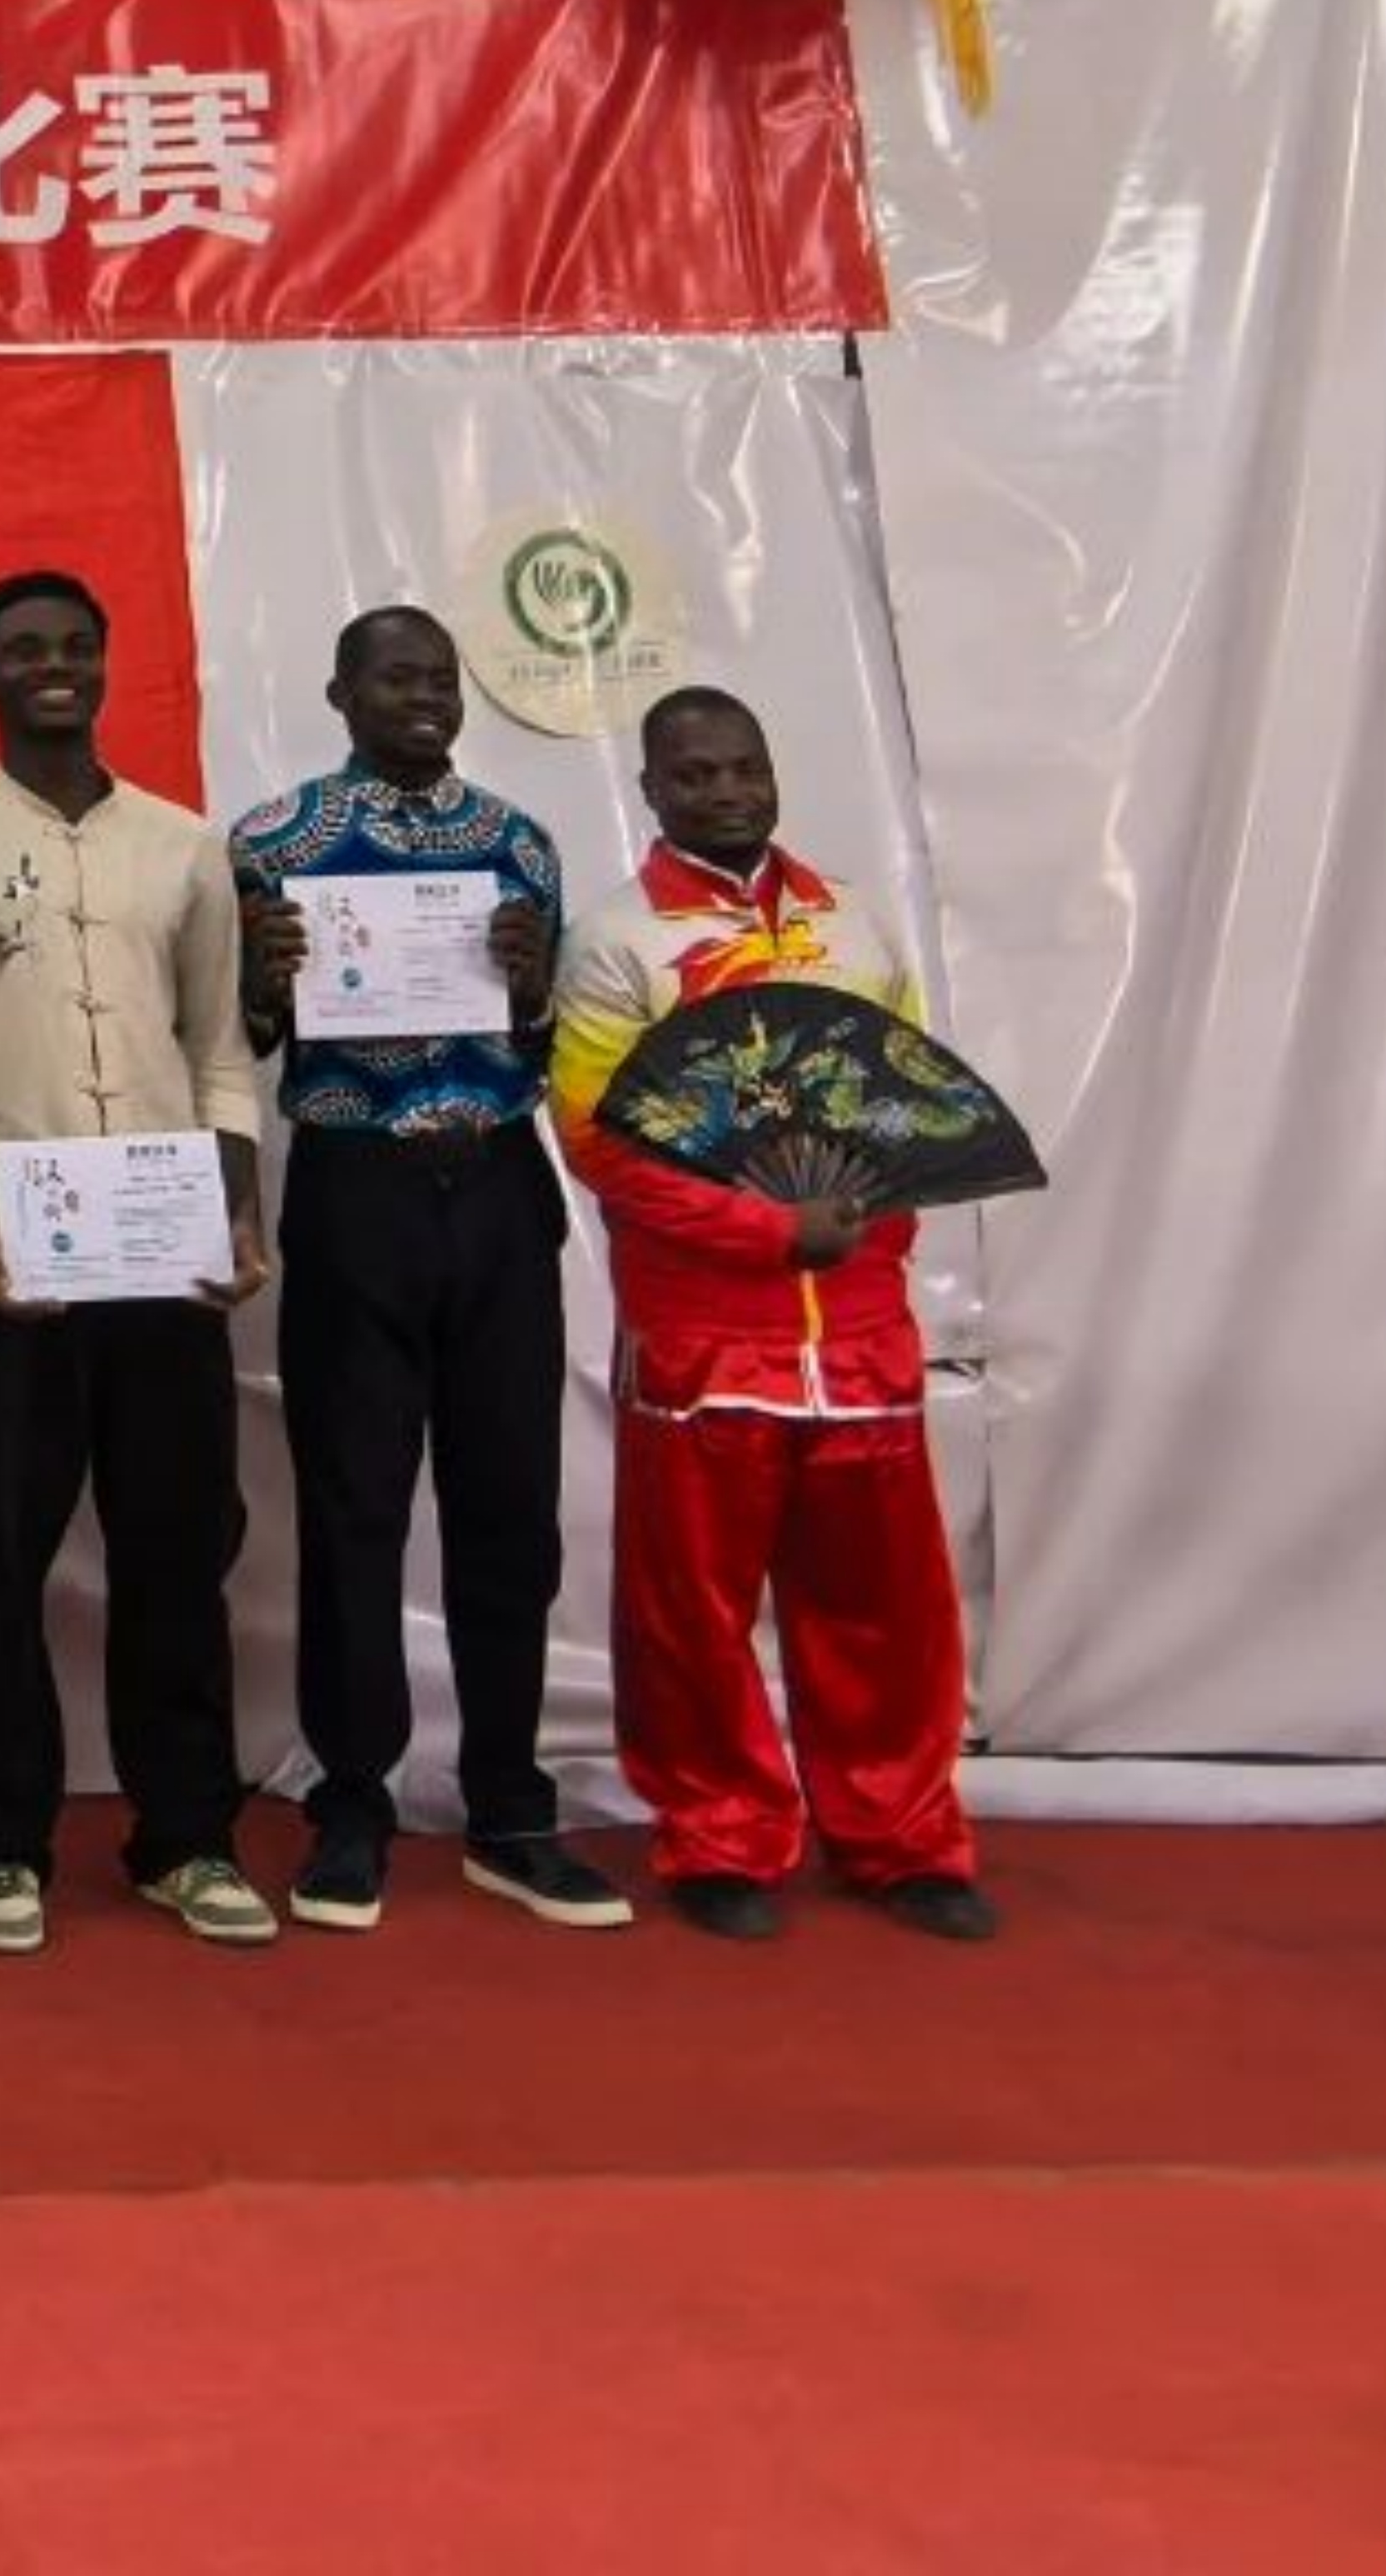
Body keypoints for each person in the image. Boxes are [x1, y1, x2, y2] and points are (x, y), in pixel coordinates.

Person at [543, 685, 995, 1944]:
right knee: (690, 1608)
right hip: (702, 1339)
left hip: (859, 1336)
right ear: (651, 788)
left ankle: (902, 1837)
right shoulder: (617, 941)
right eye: (695, 774)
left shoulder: (854, 926)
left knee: (886, 1608)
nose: (727, 791)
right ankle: (719, 1833)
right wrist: (771, 1232)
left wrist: (865, 1240)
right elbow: (602, 1143)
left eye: (744, 766)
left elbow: (911, 1110)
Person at [0, 571, 277, 1959]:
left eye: (78, 645)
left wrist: (236, 1213)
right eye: (25, 649)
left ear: (104, 664)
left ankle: (188, 1837)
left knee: (180, 1550)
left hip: (164, 1262)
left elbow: (220, 1053)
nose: (56, 665)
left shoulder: (183, 846)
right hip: (9, 1275)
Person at [230, 605, 627, 1936]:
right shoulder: (276, 842)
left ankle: (510, 1804)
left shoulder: (519, 840)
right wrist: (264, 984)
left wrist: (531, 989)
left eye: (443, 679)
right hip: (359, 1185)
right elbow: (241, 1034)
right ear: (339, 691)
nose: (426, 697)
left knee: (511, 1504)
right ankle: (353, 1803)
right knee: (355, 1504)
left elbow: (550, 1041)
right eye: (397, 676)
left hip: (500, 1187)